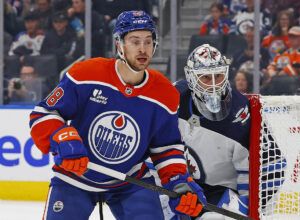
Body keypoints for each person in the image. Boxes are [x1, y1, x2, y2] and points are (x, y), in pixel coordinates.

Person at [29, 11, 206, 219]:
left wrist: (179, 180)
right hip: (74, 177)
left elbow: (167, 148)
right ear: (119, 44)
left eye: (148, 42)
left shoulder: (165, 94)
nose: (143, 48)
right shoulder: (85, 74)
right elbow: (43, 113)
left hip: (129, 182)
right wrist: (61, 136)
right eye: (135, 41)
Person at [165, 44, 286, 219]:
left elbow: (272, 165)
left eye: (218, 75)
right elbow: (156, 143)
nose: (214, 84)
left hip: (221, 194)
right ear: (191, 78)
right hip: (182, 186)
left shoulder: (241, 112)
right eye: (206, 77)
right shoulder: (176, 96)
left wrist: (248, 208)